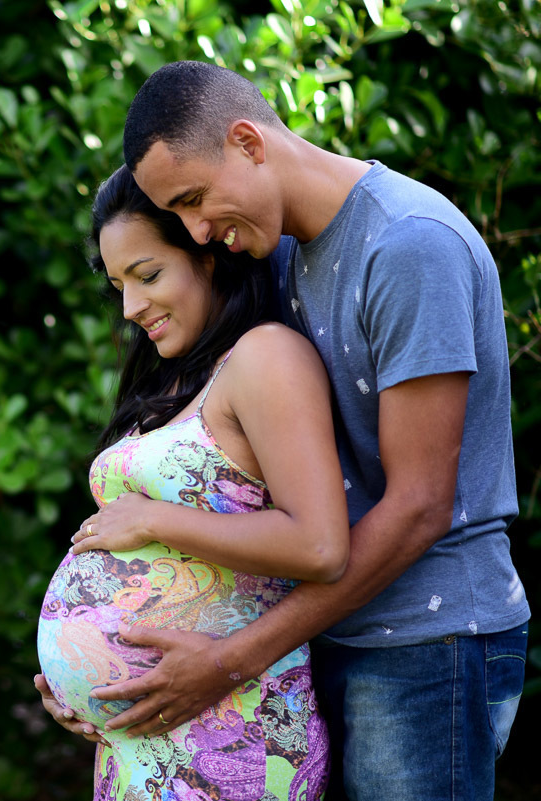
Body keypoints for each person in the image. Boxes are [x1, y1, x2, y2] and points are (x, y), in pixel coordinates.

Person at [43, 60, 530, 801]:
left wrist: (231, 660)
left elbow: (421, 504)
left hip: (426, 643)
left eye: (197, 199)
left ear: (248, 140)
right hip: (328, 630)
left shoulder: (408, 246)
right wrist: (106, 678)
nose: (200, 231)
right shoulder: (284, 252)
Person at [34, 164, 350, 800]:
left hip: (233, 733)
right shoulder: (169, 382)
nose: (130, 306)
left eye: (147, 275)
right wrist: (73, 676)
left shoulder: (265, 358)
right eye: (119, 284)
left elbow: (320, 545)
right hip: (145, 745)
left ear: (207, 256)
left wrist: (154, 519)